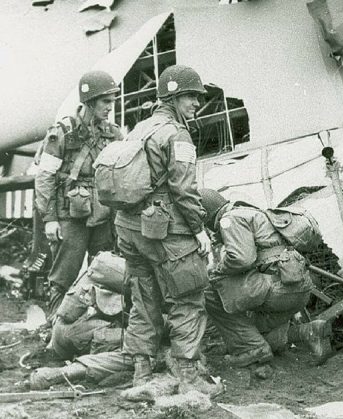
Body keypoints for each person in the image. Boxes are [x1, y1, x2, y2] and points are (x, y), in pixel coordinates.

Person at [114, 64, 218, 397]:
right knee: (187, 296)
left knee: (144, 298)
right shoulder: (177, 133)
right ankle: (189, 376)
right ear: (172, 96)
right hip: (164, 230)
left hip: (130, 229)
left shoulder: (139, 128)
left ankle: (142, 374)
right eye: (190, 97)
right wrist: (200, 229)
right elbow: (184, 190)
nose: (196, 104)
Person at [198, 188, 333, 367]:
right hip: (297, 289)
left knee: (209, 292)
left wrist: (218, 271)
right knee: (254, 334)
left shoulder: (229, 219)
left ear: (205, 214)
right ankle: (309, 332)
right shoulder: (251, 212)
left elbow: (241, 258)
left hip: (277, 289)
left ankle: (252, 350)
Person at [34, 70, 123, 315]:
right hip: (70, 216)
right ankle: (54, 327)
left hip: (103, 214)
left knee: (104, 271)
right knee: (64, 275)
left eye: (112, 101)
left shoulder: (113, 133)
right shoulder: (62, 133)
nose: (110, 107)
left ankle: (97, 325)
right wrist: (50, 219)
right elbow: (44, 178)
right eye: (106, 101)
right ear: (89, 101)